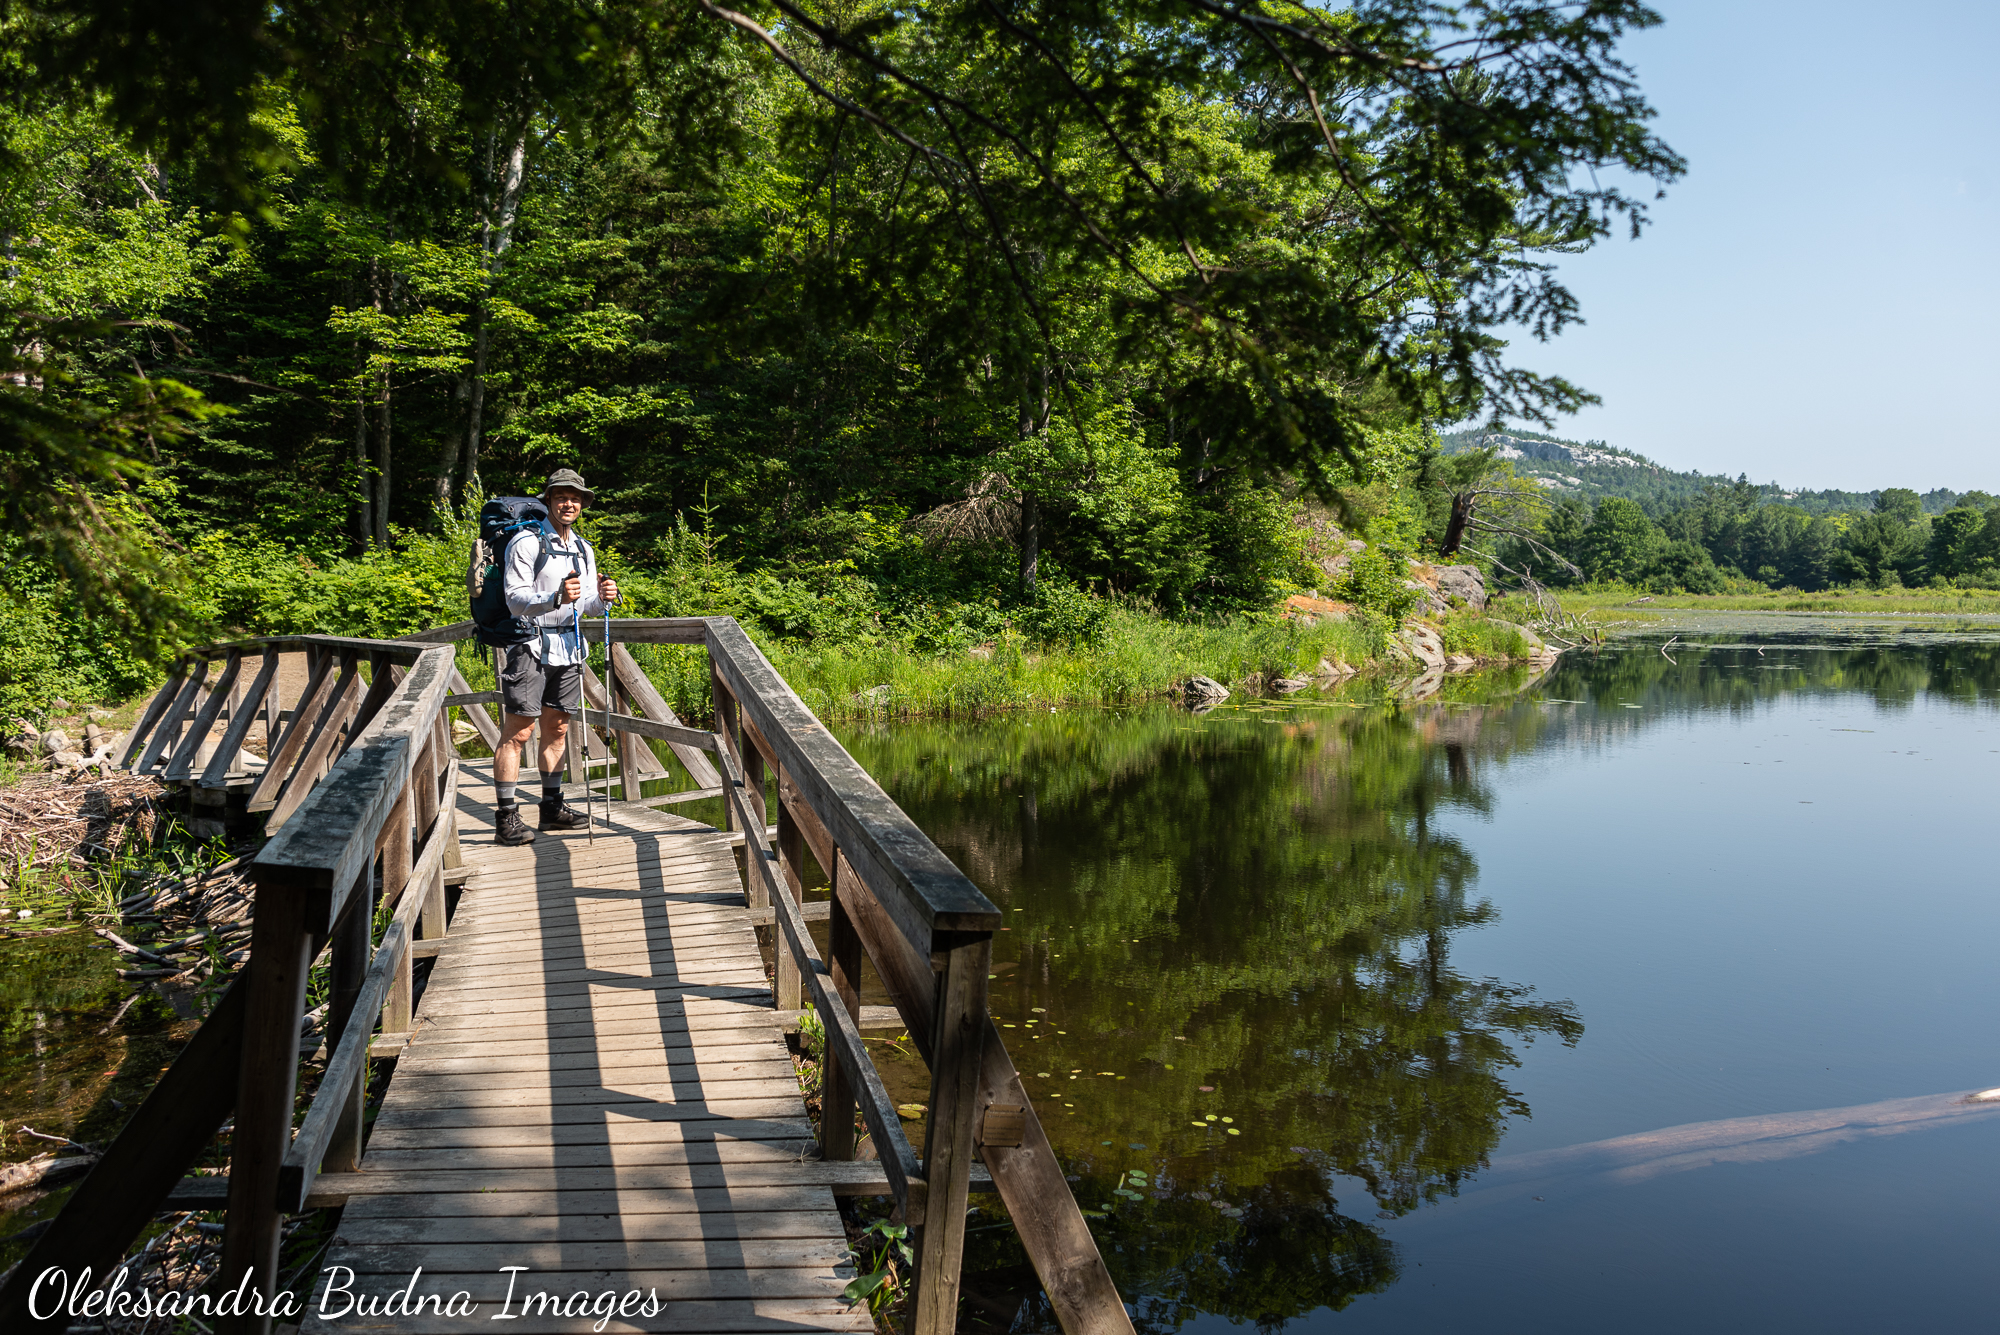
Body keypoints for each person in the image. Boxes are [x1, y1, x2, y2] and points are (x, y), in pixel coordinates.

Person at [493, 468, 619, 845]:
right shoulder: (526, 543)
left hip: (569, 646)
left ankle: (551, 808)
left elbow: (588, 607)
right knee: (519, 731)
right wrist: (554, 599)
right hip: (530, 644)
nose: (569, 503)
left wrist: (605, 597)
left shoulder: (583, 548)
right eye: (562, 496)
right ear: (547, 499)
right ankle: (506, 816)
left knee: (558, 728)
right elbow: (514, 600)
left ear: (583, 503)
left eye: (576, 497)